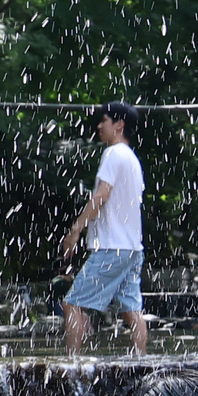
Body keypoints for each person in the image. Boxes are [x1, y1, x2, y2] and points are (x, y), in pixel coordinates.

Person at [60, 102, 147, 358]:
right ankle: (141, 363)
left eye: (104, 120)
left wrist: (75, 230)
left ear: (119, 125)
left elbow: (101, 196)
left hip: (112, 248)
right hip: (132, 249)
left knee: (72, 304)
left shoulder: (113, 154)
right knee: (132, 311)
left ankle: (71, 367)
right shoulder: (132, 159)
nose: (99, 126)